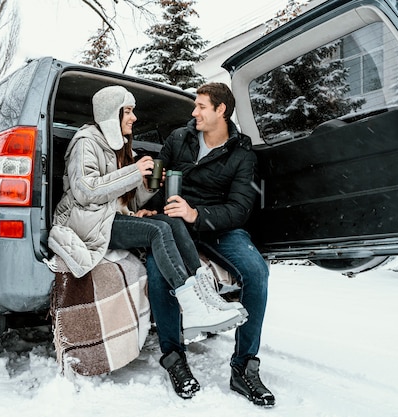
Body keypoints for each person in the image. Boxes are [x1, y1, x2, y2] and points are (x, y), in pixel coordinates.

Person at [46, 85, 247, 369]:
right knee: (157, 231)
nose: (134, 118)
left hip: (111, 216)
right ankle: (189, 304)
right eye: (127, 112)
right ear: (110, 114)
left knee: (170, 222)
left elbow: (122, 197)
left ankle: (204, 296)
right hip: (87, 222)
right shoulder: (86, 141)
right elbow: (85, 191)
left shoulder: (120, 145)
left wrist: (148, 186)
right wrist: (133, 171)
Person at [143, 82, 275, 407]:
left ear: (221, 111)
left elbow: (239, 209)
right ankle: (174, 358)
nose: (194, 112)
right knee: (159, 270)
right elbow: (160, 181)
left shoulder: (241, 153)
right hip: (175, 221)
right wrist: (150, 195)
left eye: (201, 106)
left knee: (256, 272)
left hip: (217, 225)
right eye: (196, 105)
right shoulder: (179, 138)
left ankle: (244, 368)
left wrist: (196, 214)